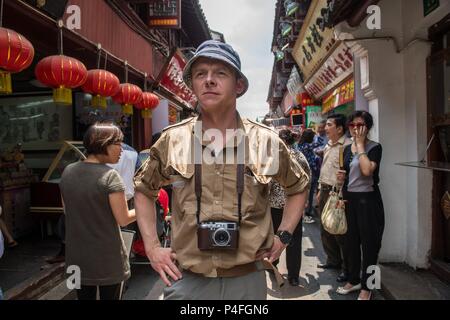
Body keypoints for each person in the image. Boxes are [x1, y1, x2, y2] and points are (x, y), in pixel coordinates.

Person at [134, 40, 310, 300]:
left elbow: (298, 186)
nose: (209, 80)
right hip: (187, 280)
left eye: (220, 73)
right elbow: (143, 189)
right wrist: (152, 247)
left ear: (238, 85)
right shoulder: (173, 140)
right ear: (192, 84)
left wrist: (283, 235)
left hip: (247, 281)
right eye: (200, 74)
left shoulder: (265, 141)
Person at [59, 122, 136, 300]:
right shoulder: (110, 176)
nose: (122, 150)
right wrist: (144, 207)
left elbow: (66, 210)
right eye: (118, 144)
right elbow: (123, 219)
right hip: (107, 258)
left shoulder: (68, 171)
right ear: (103, 143)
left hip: (76, 257)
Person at [336, 111, 384, 300]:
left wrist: (361, 145)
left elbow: (366, 170)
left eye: (360, 125)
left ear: (368, 127)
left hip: (369, 202)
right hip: (350, 200)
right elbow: (346, 177)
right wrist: (341, 180)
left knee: (371, 245)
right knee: (351, 244)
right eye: (352, 125)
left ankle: (369, 286)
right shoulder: (347, 149)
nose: (356, 129)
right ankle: (354, 279)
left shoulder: (374, 147)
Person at [269, 128, 310, 286]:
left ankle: (273, 266)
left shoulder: (278, 158)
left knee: (275, 237)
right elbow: (308, 178)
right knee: (294, 241)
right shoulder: (300, 156)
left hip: (275, 206)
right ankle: (293, 275)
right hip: (295, 207)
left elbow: (269, 182)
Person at [316, 114, 351, 283]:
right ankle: (333, 260)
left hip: (337, 192)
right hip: (324, 189)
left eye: (329, 125)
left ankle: (347, 268)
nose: (325, 128)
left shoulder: (348, 146)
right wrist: (318, 189)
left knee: (340, 230)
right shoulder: (328, 144)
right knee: (324, 227)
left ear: (339, 128)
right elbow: (325, 167)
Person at [296, 128, 320, 224]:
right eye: (313, 137)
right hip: (310, 172)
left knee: (306, 193)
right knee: (309, 194)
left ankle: (305, 211)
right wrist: (318, 135)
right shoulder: (307, 146)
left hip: (304, 172)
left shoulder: (299, 145)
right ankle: (307, 213)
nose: (314, 138)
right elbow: (318, 143)